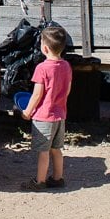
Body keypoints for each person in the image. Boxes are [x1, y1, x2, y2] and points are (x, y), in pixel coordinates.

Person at [20, 24, 73, 191]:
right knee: (56, 149)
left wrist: (27, 111)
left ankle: (39, 181)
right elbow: (68, 89)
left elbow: (37, 95)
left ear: (44, 48)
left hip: (44, 117)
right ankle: (58, 178)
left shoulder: (42, 68)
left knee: (43, 152)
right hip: (60, 115)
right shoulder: (66, 66)